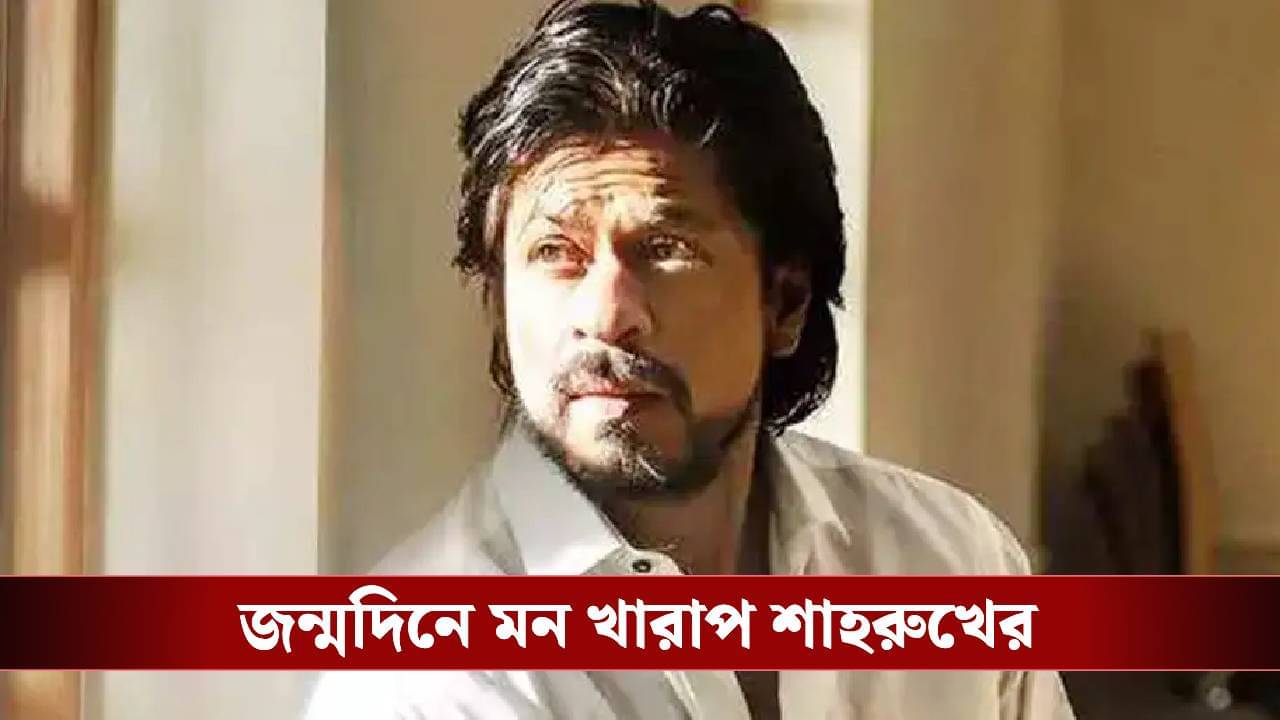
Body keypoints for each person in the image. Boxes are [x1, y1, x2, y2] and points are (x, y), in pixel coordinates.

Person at [307, 1, 1075, 717]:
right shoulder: (423, 680)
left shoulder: (947, 561)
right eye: (555, 253)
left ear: (786, 302)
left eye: (666, 248)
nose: (607, 315)